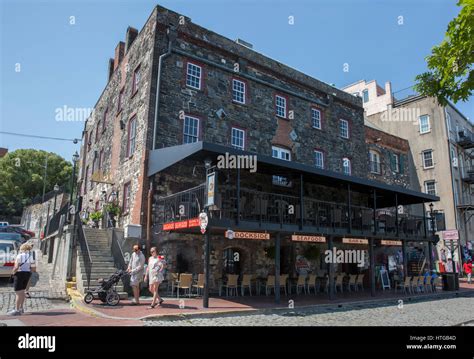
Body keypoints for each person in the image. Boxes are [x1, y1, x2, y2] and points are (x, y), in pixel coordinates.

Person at [8, 243, 36, 316]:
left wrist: (13, 273)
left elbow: (16, 267)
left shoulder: (19, 256)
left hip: (19, 274)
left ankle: (16, 310)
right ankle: (21, 308)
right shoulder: (31, 257)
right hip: (27, 274)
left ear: (22, 249)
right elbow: (33, 269)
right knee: (23, 291)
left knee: (18, 292)